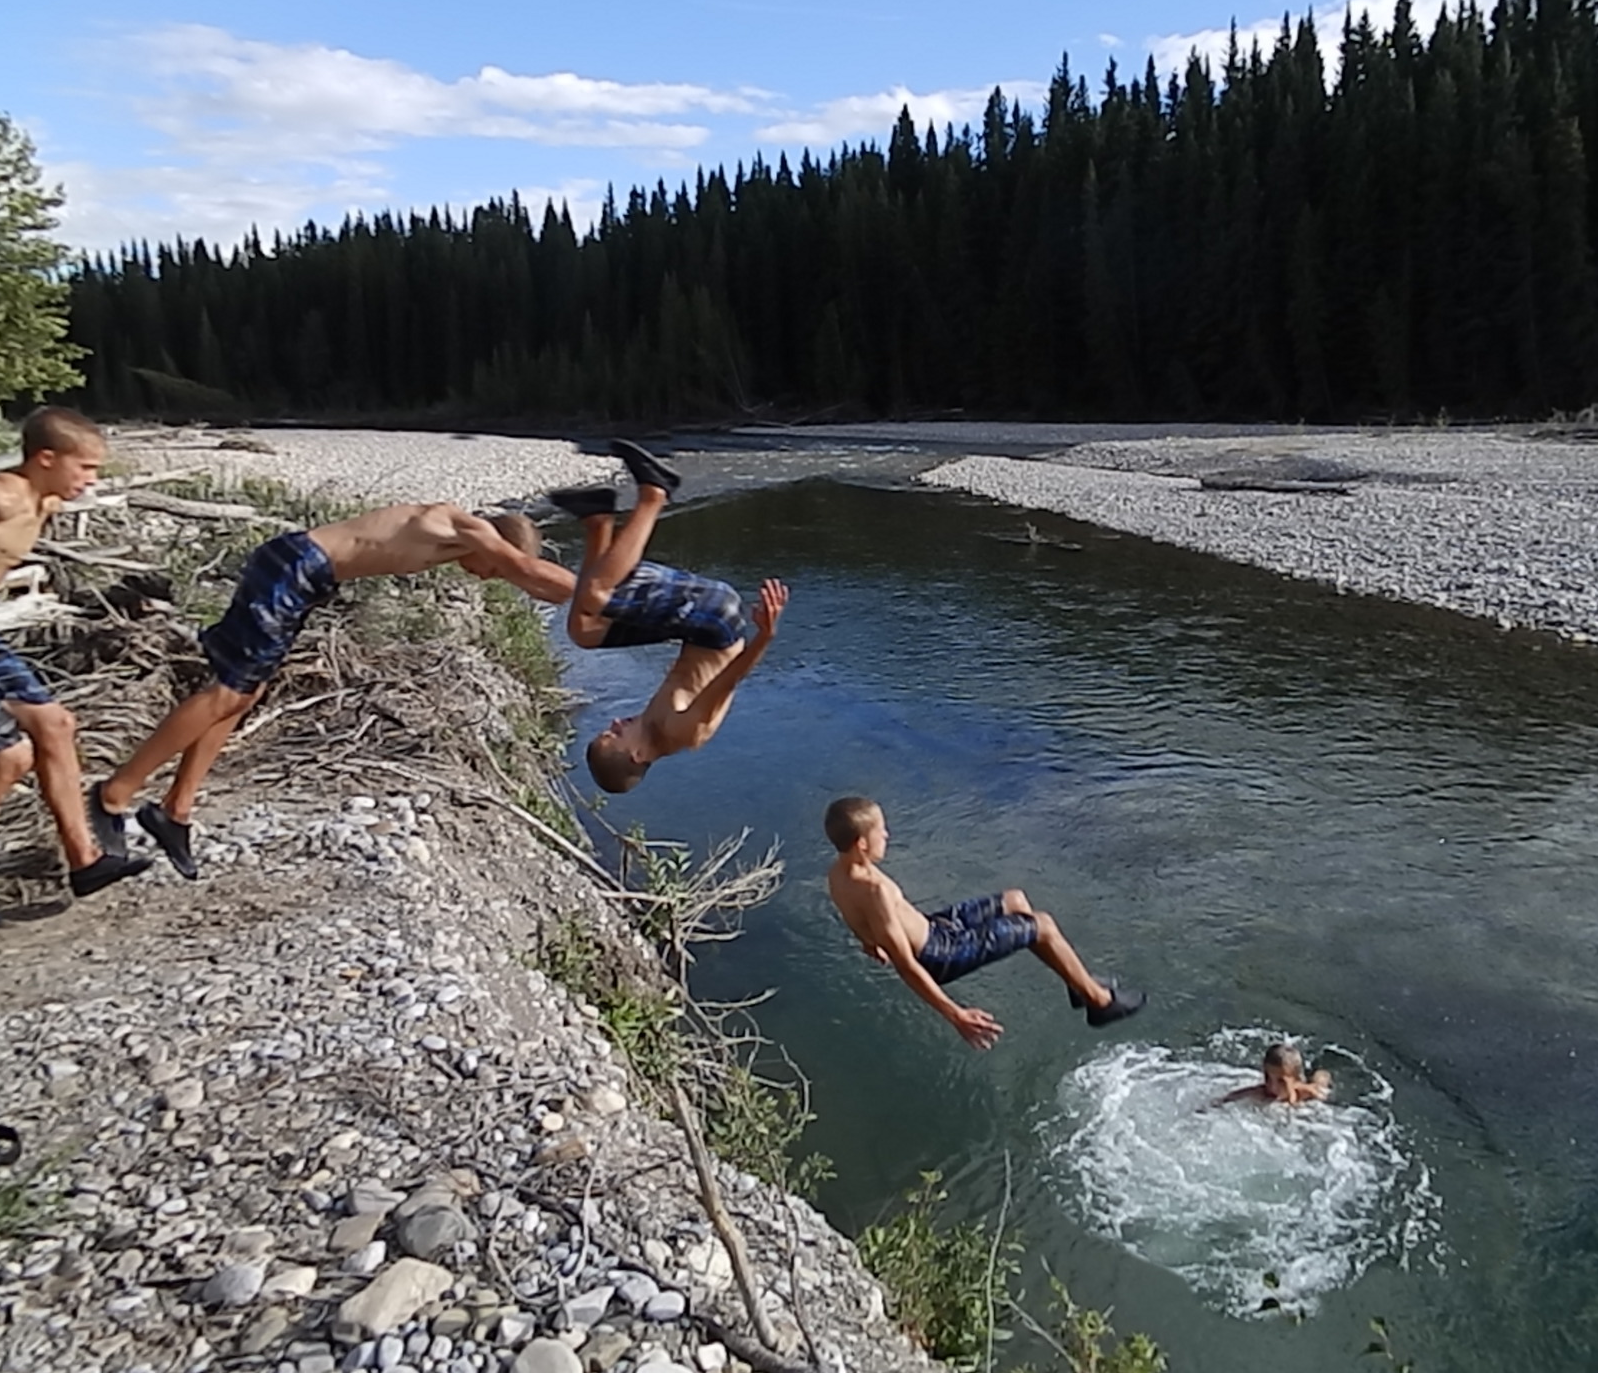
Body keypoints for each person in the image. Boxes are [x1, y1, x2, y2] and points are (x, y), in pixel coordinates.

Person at [93, 503, 574, 877]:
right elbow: (531, 574)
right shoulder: (461, 526)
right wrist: (609, 597)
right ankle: (115, 793)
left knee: (245, 693)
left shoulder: (463, 540)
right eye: (495, 569)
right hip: (294, 566)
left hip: (303, 577)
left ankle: (175, 811)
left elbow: (528, 579)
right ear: (496, 541)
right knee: (229, 692)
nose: (492, 578)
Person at [0, 408, 145, 928]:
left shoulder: (45, 500)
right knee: (9, 757)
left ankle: (86, 860)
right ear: (46, 459)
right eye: (85, 467)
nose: (92, 479)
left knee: (55, 723)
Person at [553, 440, 786, 794]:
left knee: (583, 630)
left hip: (694, 630)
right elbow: (728, 681)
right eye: (614, 733)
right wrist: (765, 636)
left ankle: (597, 519)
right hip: (717, 618)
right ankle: (655, 491)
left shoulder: (651, 726)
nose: (615, 721)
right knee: (599, 595)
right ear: (635, 754)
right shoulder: (684, 732)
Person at [822, 795, 1145, 1050]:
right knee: (1042, 925)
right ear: (861, 843)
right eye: (881, 831)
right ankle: (1099, 1003)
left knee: (1015, 900)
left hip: (936, 927)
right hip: (940, 955)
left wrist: (869, 942)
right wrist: (956, 1015)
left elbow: (853, 914)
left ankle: (1078, 984)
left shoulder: (838, 874)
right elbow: (906, 966)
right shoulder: (875, 892)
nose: (887, 835)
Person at [1214, 1042, 1332, 1107]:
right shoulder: (1262, 1091)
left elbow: (1322, 1096)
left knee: (1320, 1079)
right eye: (1267, 1077)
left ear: (1294, 1080)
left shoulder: (1304, 1092)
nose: (1272, 1086)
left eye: (1281, 1081)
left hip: (1306, 1083)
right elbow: (1233, 1096)